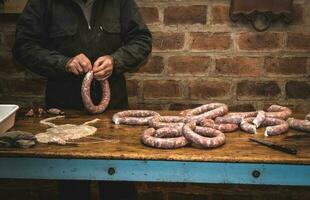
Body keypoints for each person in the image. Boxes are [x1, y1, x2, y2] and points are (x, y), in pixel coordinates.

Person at [12, 0, 152, 199]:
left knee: (119, 185)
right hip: (65, 115)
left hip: (113, 113)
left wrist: (116, 60)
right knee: (73, 188)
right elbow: (23, 47)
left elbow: (141, 39)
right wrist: (64, 63)